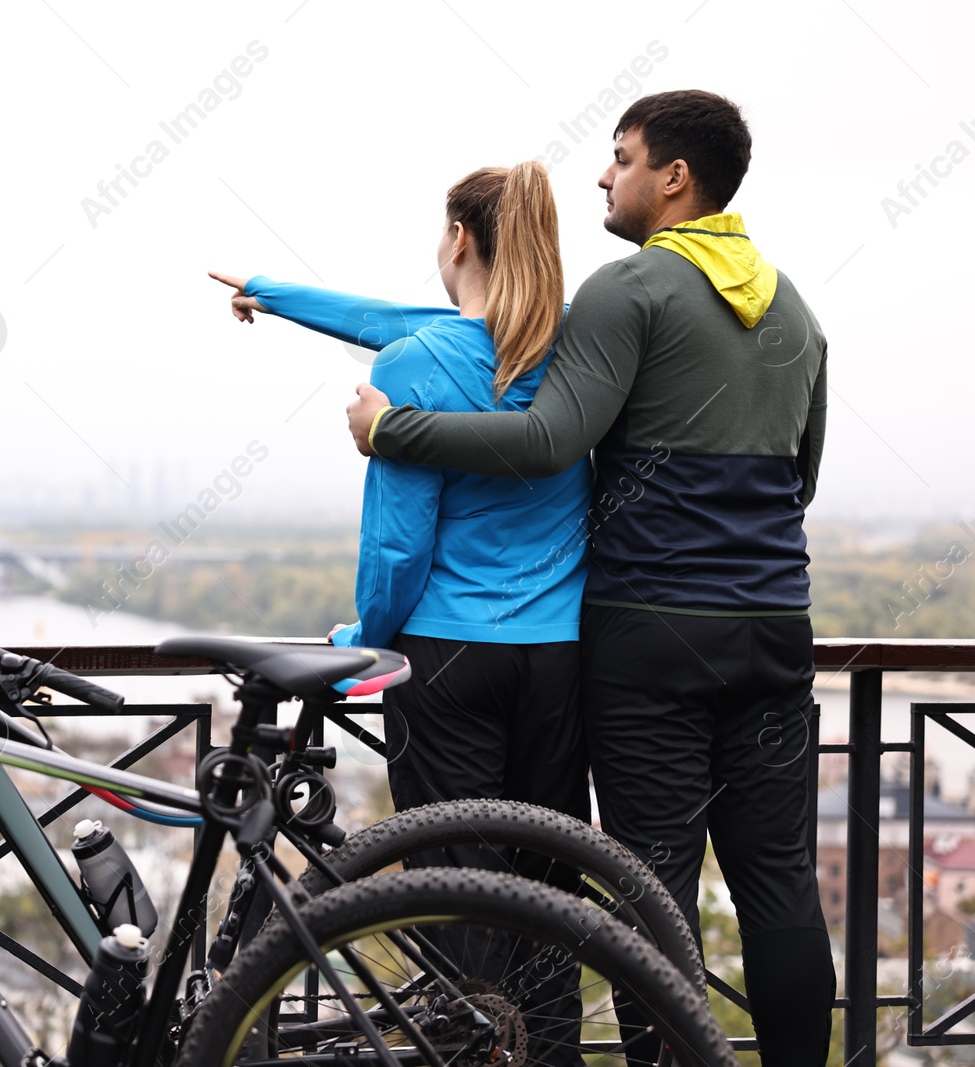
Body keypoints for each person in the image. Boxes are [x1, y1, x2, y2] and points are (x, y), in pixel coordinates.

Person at [345, 91, 833, 1064]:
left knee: (650, 885)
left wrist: (388, 429)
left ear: (673, 178)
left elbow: (548, 437)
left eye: (619, 158)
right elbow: (801, 478)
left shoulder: (630, 289)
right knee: (779, 882)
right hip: (775, 626)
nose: (603, 178)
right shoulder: (791, 305)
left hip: (648, 634)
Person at [214, 161, 594, 1062]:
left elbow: (396, 549)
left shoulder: (414, 369)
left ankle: (469, 1052)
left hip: (449, 657)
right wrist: (273, 294)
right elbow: (406, 322)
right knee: (550, 886)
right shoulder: (570, 352)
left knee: (459, 888)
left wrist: (364, 643)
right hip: (560, 657)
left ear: (458, 237)